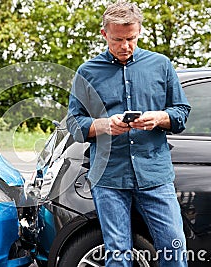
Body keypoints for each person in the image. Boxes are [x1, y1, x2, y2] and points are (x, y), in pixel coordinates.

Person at [66, 1, 191, 266]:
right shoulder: (86, 72)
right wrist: (104, 125)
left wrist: (160, 118)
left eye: (131, 38)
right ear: (104, 35)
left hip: (155, 174)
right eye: (117, 39)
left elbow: (181, 113)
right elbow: (74, 124)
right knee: (117, 254)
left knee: (174, 248)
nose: (125, 46)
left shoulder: (161, 65)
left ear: (139, 31)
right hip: (109, 177)